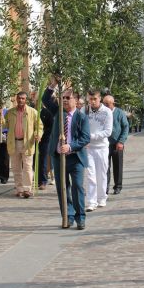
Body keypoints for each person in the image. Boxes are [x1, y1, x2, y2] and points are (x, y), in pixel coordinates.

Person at [43, 80, 91, 230]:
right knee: (62, 188)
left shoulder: (81, 117)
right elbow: (45, 99)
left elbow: (85, 138)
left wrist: (70, 146)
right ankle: (67, 216)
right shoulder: (58, 112)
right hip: (59, 158)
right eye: (62, 98)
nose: (64, 100)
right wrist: (53, 85)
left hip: (75, 158)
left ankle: (80, 217)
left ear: (76, 101)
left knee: (77, 187)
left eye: (67, 98)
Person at [2, 91, 43, 199]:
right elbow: (4, 124)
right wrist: (0, 116)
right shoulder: (10, 112)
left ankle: (27, 189)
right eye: (19, 98)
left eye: (23, 98)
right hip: (13, 142)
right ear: (16, 99)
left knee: (28, 167)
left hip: (27, 143)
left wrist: (37, 134)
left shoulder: (33, 112)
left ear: (26, 100)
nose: (21, 100)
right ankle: (19, 189)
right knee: (16, 168)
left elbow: (39, 127)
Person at [84, 89, 113, 211]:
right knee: (90, 175)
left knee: (101, 174)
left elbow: (108, 131)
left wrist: (92, 136)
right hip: (88, 148)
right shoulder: (84, 111)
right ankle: (91, 201)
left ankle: (102, 197)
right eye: (90, 99)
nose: (93, 101)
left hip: (101, 147)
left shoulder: (107, 112)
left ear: (100, 98)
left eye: (95, 98)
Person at [103, 94, 129, 195]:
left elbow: (125, 127)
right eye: (104, 104)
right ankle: (105, 187)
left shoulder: (119, 113)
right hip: (105, 144)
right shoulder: (103, 113)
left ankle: (118, 186)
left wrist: (121, 141)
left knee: (118, 165)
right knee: (105, 166)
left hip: (117, 143)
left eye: (107, 104)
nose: (105, 106)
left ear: (112, 104)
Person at [36, 100, 54, 190]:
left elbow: (51, 127)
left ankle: (43, 181)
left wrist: (41, 134)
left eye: (39, 101)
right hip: (33, 139)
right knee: (35, 160)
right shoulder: (32, 112)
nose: (37, 103)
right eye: (36, 101)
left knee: (43, 159)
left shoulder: (47, 113)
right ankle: (37, 180)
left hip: (45, 139)